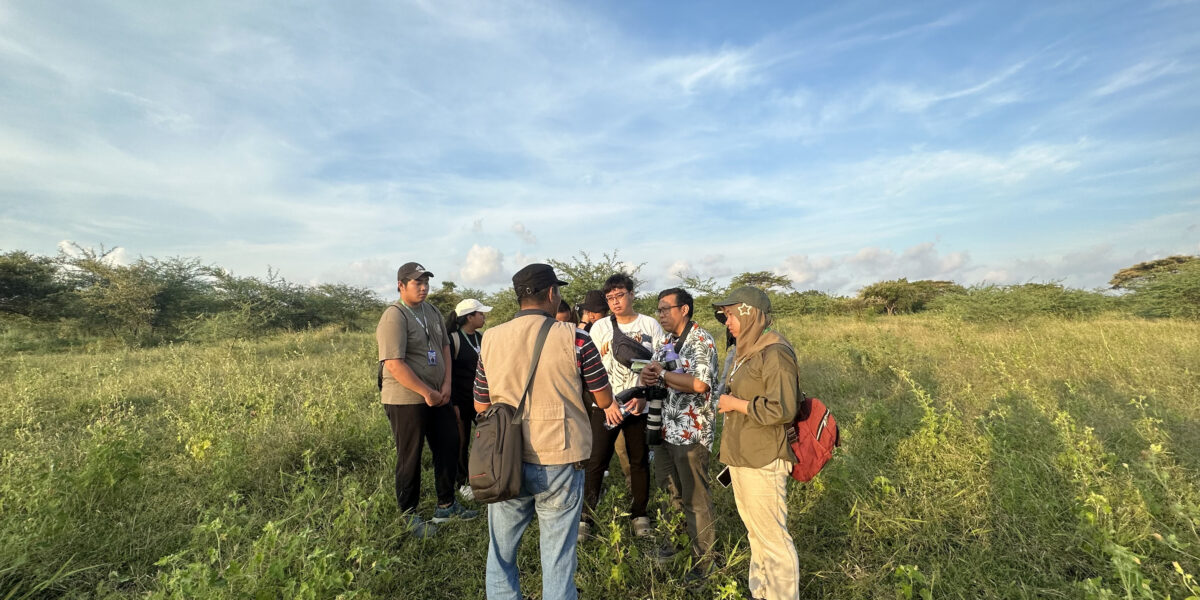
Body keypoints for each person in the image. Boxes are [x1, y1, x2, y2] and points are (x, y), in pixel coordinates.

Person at [473, 263, 616, 600]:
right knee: (558, 557)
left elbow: (481, 405)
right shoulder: (577, 337)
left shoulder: (490, 339)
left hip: (505, 460)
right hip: (560, 458)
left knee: (501, 552)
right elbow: (604, 398)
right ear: (552, 293)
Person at [376, 262, 477, 539]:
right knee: (411, 455)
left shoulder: (431, 311)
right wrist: (426, 391)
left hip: (438, 394)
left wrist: (445, 385)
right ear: (401, 285)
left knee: (449, 443)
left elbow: (444, 348)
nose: (423, 288)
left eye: (426, 283)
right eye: (417, 283)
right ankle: (409, 516)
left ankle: (446, 505)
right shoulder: (394, 316)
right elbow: (393, 364)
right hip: (406, 398)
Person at [714, 287, 802, 600]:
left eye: (731, 315)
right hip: (742, 453)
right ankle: (761, 591)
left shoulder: (775, 352)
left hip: (763, 456)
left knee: (773, 538)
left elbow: (783, 408)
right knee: (756, 532)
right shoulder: (747, 350)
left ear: (751, 314)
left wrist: (736, 404)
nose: (727, 322)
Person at [638, 288, 719, 573]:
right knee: (669, 491)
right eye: (658, 310)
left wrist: (661, 374)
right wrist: (647, 374)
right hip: (665, 429)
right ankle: (675, 546)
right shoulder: (666, 342)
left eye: (665, 309)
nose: (660, 315)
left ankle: (704, 564)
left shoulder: (701, 340)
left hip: (691, 432)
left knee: (695, 499)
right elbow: (654, 373)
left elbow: (699, 384)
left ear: (684, 309)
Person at [582, 273, 665, 540]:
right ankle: (585, 517)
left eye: (620, 295)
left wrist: (644, 397)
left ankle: (640, 514)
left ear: (632, 294)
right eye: (610, 298)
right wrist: (606, 404)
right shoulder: (600, 328)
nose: (615, 302)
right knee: (596, 461)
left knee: (638, 460)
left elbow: (661, 364)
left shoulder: (650, 325)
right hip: (606, 406)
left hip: (638, 405)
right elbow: (589, 368)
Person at [445, 297, 493, 503]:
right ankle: (462, 482)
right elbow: (449, 374)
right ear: (469, 317)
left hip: (480, 399)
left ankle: (487, 476)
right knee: (461, 442)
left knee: (488, 439)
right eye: (480, 314)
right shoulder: (453, 339)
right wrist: (453, 403)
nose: (483, 317)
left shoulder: (481, 338)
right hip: (461, 400)